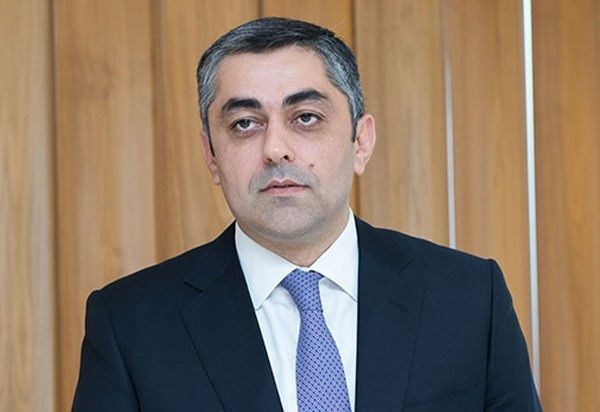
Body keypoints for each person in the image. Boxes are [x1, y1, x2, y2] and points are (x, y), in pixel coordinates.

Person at [73, 17, 541, 411]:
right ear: (211, 156)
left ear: (361, 141)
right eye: (244, 124)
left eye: (306, 118)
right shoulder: (129, 327)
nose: (275, 149)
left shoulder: (470, 299)